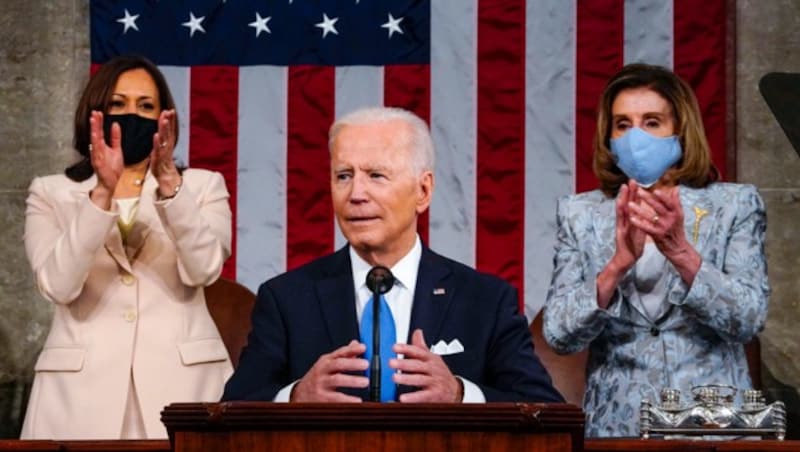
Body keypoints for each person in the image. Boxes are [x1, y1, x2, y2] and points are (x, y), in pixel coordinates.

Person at [223, 107, 563, 404]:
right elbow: (231, 412)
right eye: (344, 176)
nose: (356, 194)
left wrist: (460, 394)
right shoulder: (286, 299)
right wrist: (296, 397)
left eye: (376, 176)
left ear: (423, 191)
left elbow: (545, 412)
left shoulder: (484, 301)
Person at [543, 64, 769, 437]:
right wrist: (616, 266)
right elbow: (559, 334)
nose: (636, 137)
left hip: (714, 430)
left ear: (680, 130)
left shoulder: (735, 206)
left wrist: (682, 254)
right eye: (622, 124)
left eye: (652, 122)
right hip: (617, 431)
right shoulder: (580, 214)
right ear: (609, 137)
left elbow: (747, 319)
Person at [21, 55, 233, 440]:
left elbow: (203, 270)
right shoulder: (50, 192)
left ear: (165, 118)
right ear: (94, 112)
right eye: (118, 104)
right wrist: (101, 193)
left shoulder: (203, 187)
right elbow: (58, 285)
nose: (132, 115)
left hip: (183, 390)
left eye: (146, 106)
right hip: (77, 399)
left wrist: (170, 185)